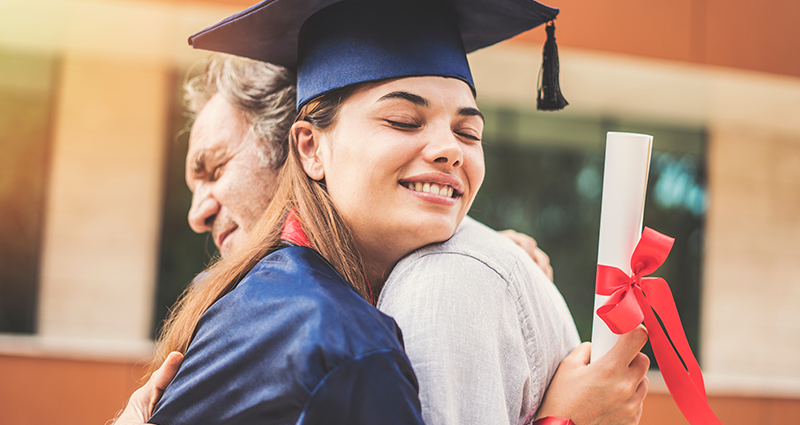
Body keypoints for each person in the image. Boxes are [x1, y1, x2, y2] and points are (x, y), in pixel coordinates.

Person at [116, 0, 650, 423]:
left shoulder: (254, 299)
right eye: (403, 120)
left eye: (469, 131)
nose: (450, 149)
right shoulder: (347, 347)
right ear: (309, 148)